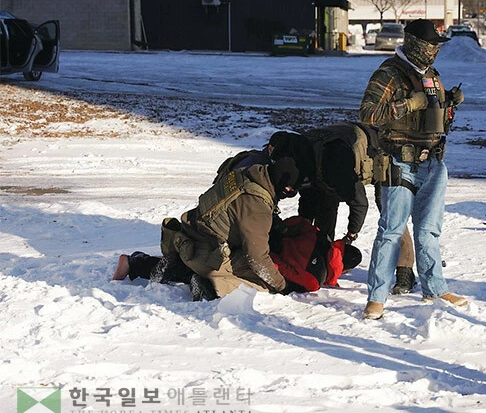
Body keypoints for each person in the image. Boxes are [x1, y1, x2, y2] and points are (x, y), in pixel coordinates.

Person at [111, 135, 316, 301]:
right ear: (286, 185)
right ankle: (210, 287)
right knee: (261, 278)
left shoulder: (248, 172)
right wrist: (283, 286)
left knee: (215, 259)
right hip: (206, 253)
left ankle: (137, 264)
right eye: (291, 190)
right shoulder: (257, 204)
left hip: (189, 238)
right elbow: (257, 258)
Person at [359, 18, 466, 320]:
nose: (434, 50)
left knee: (429, 232)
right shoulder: (389, 73)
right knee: (391, 231)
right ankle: (376, 296)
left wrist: (449, 106)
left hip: (433, 163)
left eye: (437, 46)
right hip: (399, 162)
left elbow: (439, 123)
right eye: (431, 45)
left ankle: (435, 288)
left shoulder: (433, 76)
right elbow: (367, 113)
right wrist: (409, 105)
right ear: (416, 43)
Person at [300, 122, 418, 294]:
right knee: (325, 203)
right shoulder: (306, 161)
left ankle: (404, 271)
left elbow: (360, 204)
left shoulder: (346, 167)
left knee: (390, 210)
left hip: (380, 152)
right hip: (333, 156)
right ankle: (322, 260)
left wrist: (351, 235)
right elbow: (308, 203)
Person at [112, 216, 362, 297]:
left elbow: (292, 224)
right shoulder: (314, 280)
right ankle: (141, 265)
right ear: (345, 270)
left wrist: (273, 240)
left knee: (209, 258)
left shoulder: (314, 232)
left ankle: (139, 263)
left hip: (253, 244)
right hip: (260, 262)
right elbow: (283, 272)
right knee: (220, 277)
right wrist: (266, 257)